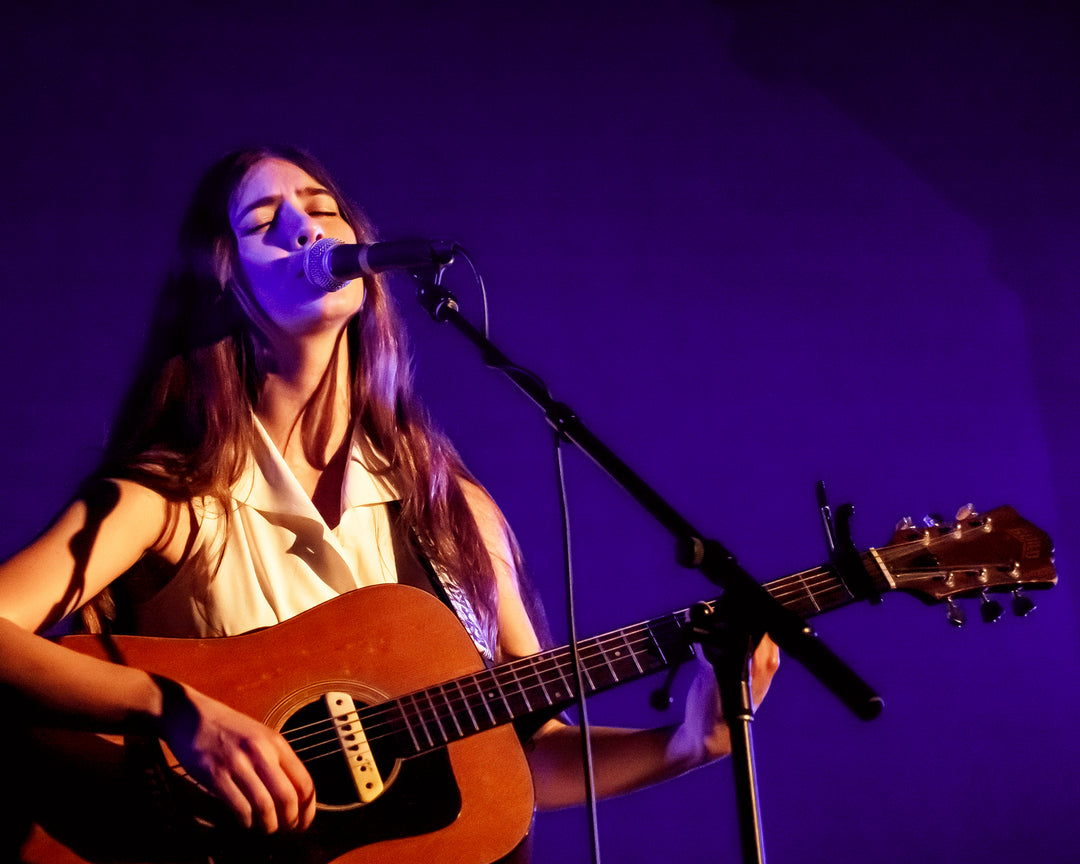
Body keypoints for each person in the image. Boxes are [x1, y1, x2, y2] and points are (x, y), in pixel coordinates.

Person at [0, 146, 779, 861]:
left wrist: (683, 746)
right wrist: (168, 707)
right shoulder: (172, 499)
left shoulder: (452, 510)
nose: (307, 229)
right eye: (266, 222)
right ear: (226, 283)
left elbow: (523, 758)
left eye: (323, 208)